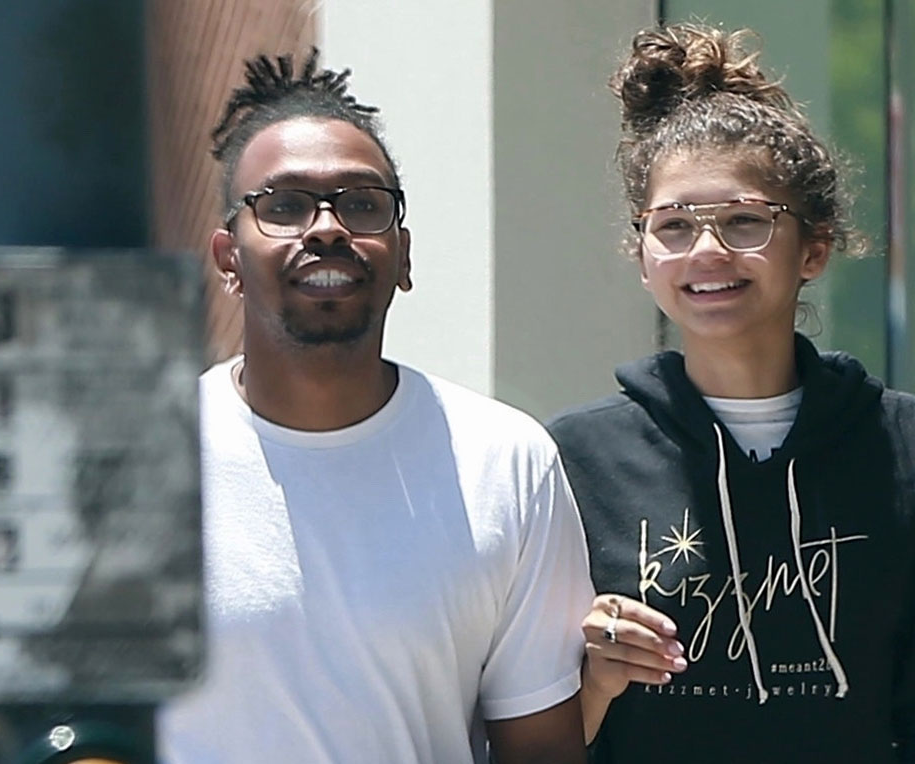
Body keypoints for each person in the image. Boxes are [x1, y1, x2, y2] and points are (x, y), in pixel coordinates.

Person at [547, 23, 915, 762]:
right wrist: (593, 682)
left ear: (814, 249)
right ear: (643, 257)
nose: (707, 250)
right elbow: (525, 737)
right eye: (673, 226)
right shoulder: (570, 459)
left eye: (744, 221)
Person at [158, 51, 592, 764]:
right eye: (284, 206)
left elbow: (541, 750)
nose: (327, 228)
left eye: (362, 204)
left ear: (404, 254)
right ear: (228, 257)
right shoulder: (142, 456)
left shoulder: (506, 462)